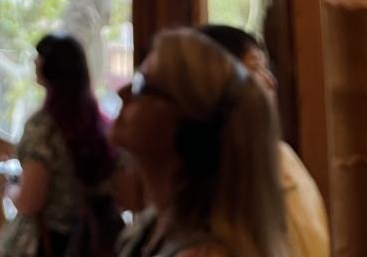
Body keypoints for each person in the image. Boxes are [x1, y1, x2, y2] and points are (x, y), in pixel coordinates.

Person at [113, 28, 287, 257]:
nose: (122, 92)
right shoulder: (153, 226)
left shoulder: (205, 253)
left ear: (188, 131)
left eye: (141, 85)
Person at [197, 24, 329, 257]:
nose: (271, 82)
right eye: (255, 67)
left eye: (266, 68)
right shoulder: (213, 175)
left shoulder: (282, 156)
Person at [0, 33, 122, 257]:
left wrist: (10, 189)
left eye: (39, 56)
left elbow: (30, 202)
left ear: (50, 67)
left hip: (51, 245)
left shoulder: (43, 129)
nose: (34, 61)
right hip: (93, 243)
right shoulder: (98, 124)